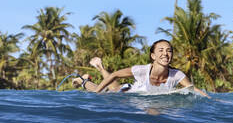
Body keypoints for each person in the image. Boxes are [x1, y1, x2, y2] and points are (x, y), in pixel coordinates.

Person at [72, 39, 209, 97]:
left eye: (168, 51)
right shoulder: (142, 70)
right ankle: (83, 81)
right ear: (153, 56)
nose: (165, 54)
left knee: (113, 87)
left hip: (132, 91)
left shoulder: (176, 74)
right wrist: (96, 92)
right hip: (126, 92)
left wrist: (212, 100)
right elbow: (115, 75)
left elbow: (192, 89)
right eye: (160, 50)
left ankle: (98, 68)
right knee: (109, 90)